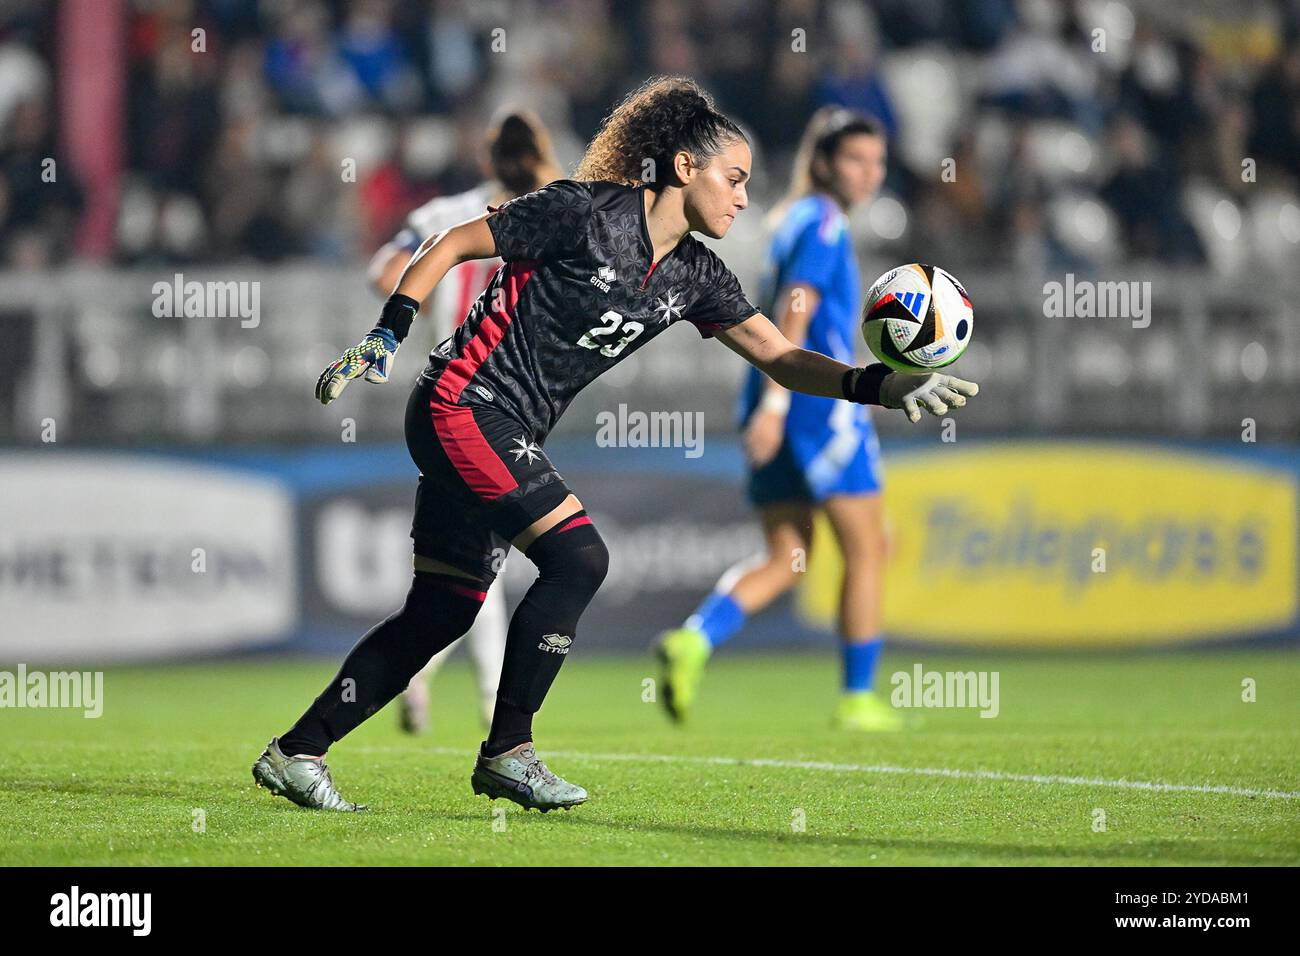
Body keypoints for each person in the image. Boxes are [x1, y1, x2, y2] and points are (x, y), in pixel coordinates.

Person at [251, 77, 977, 813]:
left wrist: (878, 385)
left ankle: (297, 752)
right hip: (461, 403)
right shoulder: (580, 211)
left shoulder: (695, 273)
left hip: (500, 425)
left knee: (443, 611)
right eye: (735, 178)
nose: (745, 198)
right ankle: (508, 753)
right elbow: (455, 242)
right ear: (686, 168)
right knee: (579, 557)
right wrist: (391, 327)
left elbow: (781, 356)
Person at [656, 107, 902, 731]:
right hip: (815, 403)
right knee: (868, 548)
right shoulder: (822, 222)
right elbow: (800, 303)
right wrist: (778, 401)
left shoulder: (787, 218)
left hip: (774, 399)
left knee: (789, 555)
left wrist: (766, 404)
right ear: (822, 163)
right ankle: (858, 698)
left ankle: (696, 638)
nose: (869, 173)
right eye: (856, 160)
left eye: (877, 161)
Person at [366, 110, 562, 735]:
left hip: (442, 385)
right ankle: (490, 708)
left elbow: (383, 270)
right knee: (488, 568)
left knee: (471, 569)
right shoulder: (554, 211)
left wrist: (416, 315)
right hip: (496, 397)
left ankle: (420, 681)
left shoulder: (446, 215)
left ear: (486, 159)